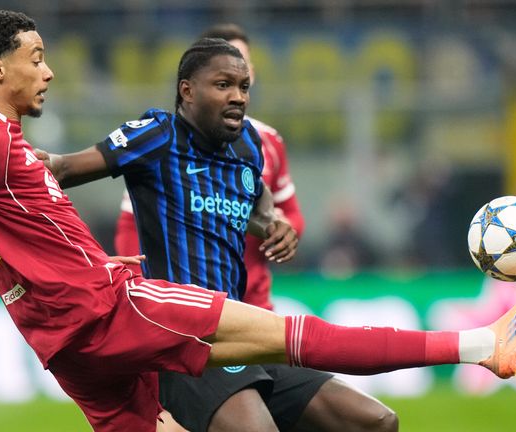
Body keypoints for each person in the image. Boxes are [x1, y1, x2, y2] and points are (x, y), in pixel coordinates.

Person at [0, 10, 516, 432]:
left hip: (64, 340)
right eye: (35, 59)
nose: (48, 72)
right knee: (295, 337)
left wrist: (47, 266)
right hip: (116, 309)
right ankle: (481, 344)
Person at [107, 24, 395, 432]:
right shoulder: (160, 145)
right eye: (223, 79)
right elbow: (129, 223)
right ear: (193, 84)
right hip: (189, 324)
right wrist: (137, 289)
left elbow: (279, 209)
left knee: (374, 420)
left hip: (255, 312)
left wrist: (278, 227)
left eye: (243, 74)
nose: (237, 89)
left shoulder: (260, 142)